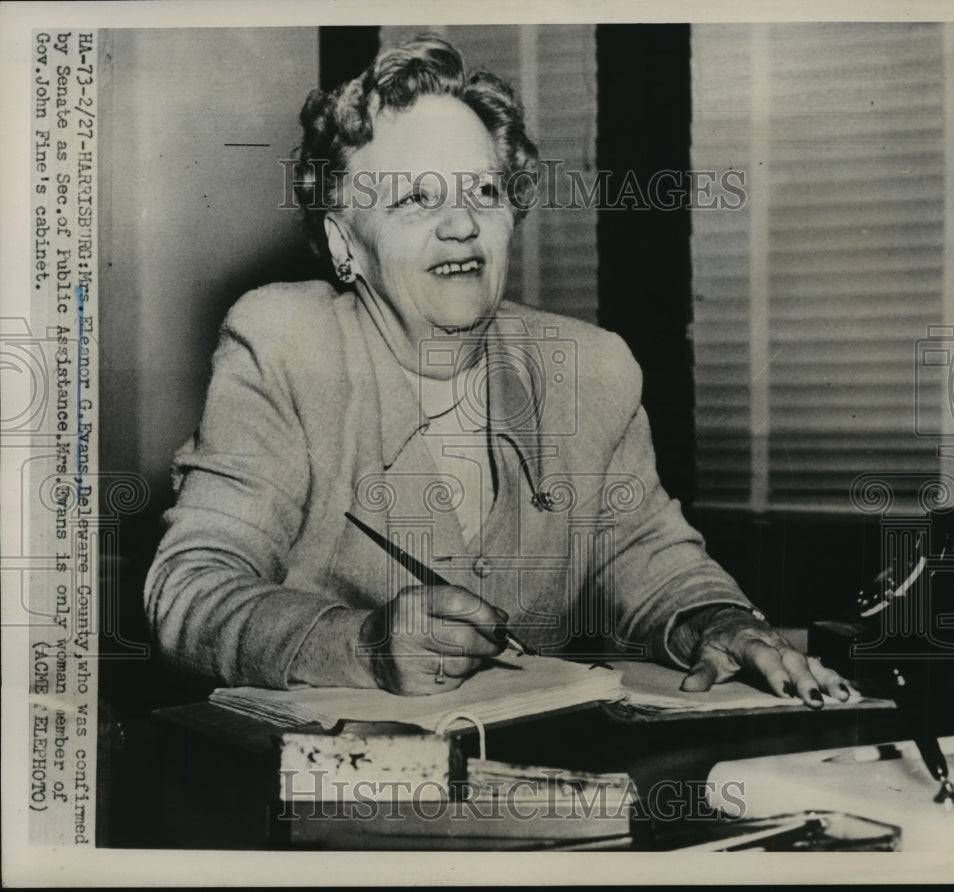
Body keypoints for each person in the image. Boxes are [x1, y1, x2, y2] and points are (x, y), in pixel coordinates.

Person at [144, 34, 850, 706]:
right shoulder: (287, 345)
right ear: (342, 242)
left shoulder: (590, 370)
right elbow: (190, 589)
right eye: (416, 198)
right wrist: (360, 645)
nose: (461, 225)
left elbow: (649, 560)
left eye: (483, 192)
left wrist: (721, 623)